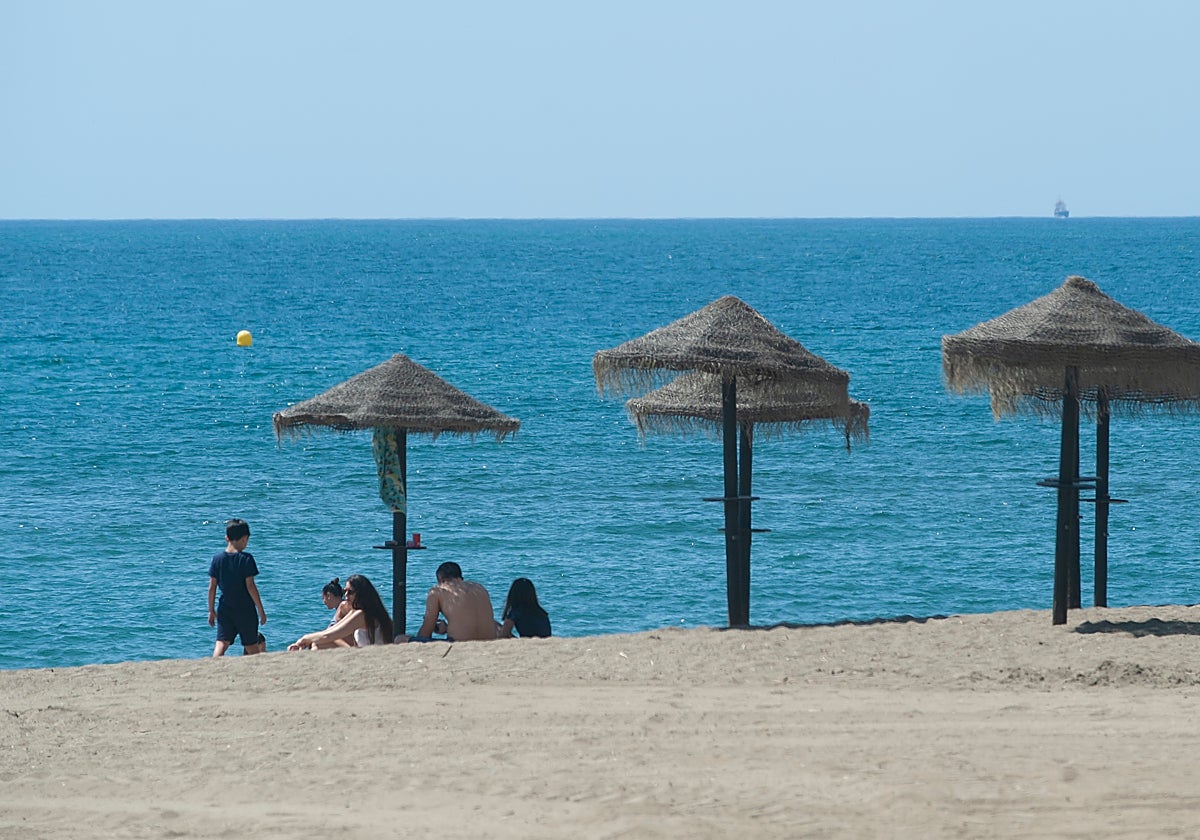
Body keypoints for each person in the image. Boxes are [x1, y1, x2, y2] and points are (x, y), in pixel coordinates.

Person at [207, 518, 267, 657]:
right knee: (251, 645)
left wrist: (211, 610)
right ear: (245, 538)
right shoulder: (246, 559)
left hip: (225, 608)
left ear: (226, 538)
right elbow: (250, 586)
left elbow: (212, 587)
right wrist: (260, 609)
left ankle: (213, 664)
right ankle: (258, 667)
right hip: (245, 609)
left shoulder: (217, 559)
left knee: (222, 643)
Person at [288, 574, 394, 650]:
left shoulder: (362, 615)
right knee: (318, 643)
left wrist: (304, 639)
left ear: (361, 594)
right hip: (364, 652)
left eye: (350, 592)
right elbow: (331, 630)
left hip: (371, 657)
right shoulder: (357, 612)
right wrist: (306, 641)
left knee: (319, 643)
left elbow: (328, 636)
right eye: (344, 591)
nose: (346, 595)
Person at [408, 562, 497, 642]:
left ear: (441, 580)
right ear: (461, 578)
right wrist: (446, 628)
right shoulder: (479, 588)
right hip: (488, 641)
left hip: (458, 643)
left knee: (402, 638)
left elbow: (426, 631)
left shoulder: (438, 590)